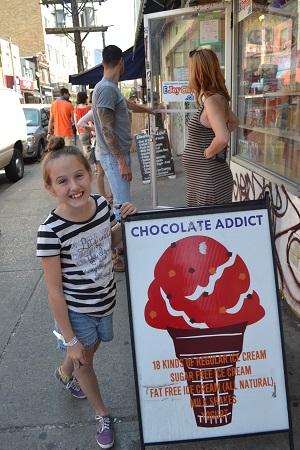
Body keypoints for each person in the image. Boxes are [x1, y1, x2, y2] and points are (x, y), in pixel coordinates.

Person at [36, 136, 137, 449]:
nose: (74, 186)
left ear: (91, 173)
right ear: (51, 189)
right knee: (85, 361)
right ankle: (101, 412)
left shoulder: (102, 206)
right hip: (77, 312)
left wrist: (127, 222)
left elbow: (107, 243)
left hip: (105, 302)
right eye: (62, 181)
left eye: (78, 176)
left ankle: (66, 371)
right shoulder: (50, 232)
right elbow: (54, 292)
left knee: (86, 353)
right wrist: (69, 338)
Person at [92, 45, 154, 271]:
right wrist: (120, 160)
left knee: (122, 202)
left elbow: (127, 105)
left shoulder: (110, 88)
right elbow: (107, 128)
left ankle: (121, 250)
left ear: (102, 64)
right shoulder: (106, 89)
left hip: (115, 155)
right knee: (122, 206)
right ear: (121, 62)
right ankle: (118, 255)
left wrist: (149, 110)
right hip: (113, 156)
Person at [183, 48, 239, 207]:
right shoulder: (218, 98)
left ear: (198, 72)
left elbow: (222, 137)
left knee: (208, 228)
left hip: (208, 180)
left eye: (190, 69)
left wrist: (208, 152)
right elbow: (234, 122)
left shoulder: (211, 101)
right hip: (205, 179)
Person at [77, 108, 114, 206]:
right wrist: (94, 129)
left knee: (110, 170)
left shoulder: (101, 109)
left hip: (109, 144)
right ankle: (104, 196)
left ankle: (111, 195)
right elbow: (80, 123)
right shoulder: (94, 111)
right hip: (100, 145)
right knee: (102, 172)